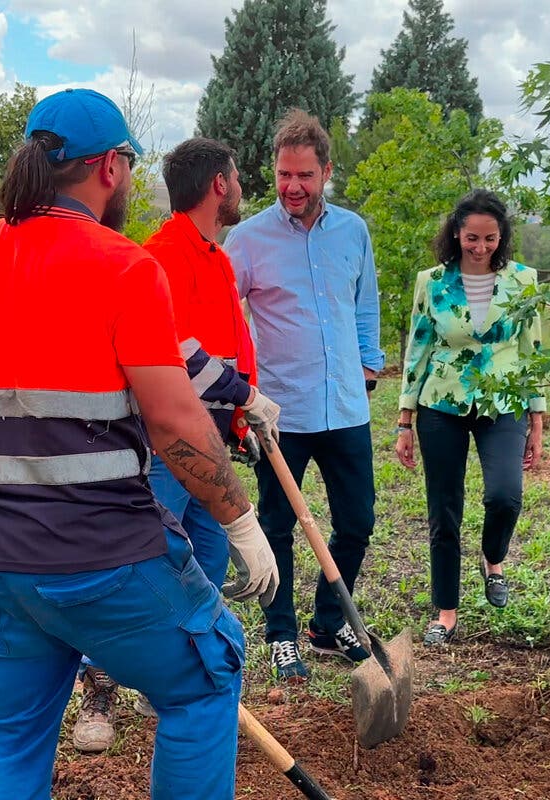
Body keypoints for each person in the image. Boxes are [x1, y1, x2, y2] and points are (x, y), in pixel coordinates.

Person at [0, 88, 279, 800]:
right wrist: (241, 523)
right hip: (104, 562)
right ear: (111, 169)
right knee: (206, 673)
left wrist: (1, 463)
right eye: (126, 164)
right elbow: (176, 421)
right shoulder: (122, 266)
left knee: (5, 733)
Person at [70, 137, 274, 752]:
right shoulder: (159, 257)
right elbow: (178, 355)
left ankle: (193, 694)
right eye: (237, 177)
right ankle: (98, 690)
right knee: (135, 563)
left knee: (204, 573)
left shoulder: (216, 257)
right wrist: (243, 393)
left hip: (213, 442)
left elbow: (230, 344)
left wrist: (243, 414)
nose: (240, 188)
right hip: (165, 446)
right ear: (219, 184)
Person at [224, 109, 385, 681]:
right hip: (280, 413)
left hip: (345, 407)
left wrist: (369, 366)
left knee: (357, 521)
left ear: (326, 173)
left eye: (305, 176)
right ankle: (282, 634)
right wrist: (239, 392)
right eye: (283, 175)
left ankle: (324, 624)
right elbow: (224, 318)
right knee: (276, 525)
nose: (292, 187)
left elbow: (365, 305)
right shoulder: (246, 240)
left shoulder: (353, 231)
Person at [393, 188, 545, 646]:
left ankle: (492, 559)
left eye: (490, 239)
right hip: (443, 405)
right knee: (444, 512)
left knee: (505, 496)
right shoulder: (433, 281)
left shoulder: (524, 281)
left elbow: (531, 351)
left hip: (504, 404)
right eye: (472, 238)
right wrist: (405, 420)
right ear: (456, 234)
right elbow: (418, 347)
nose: (481, 248)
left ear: (503, 238)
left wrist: (537, 420)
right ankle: (446, 611)